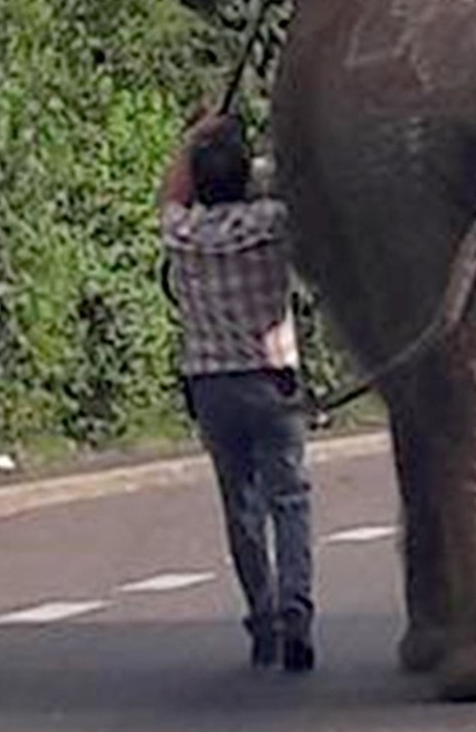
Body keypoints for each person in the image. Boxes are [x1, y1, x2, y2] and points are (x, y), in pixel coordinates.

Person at [158, 112, 316, 671]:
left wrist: (193, 139)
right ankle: (297, 610)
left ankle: (263, 618)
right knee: (290, 500)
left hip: (211, 385)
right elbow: (296, 180)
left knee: (241, 507)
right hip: (271, 379)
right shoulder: (273, 222)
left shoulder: (181, 233)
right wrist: (252, 165)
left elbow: (171, 193)